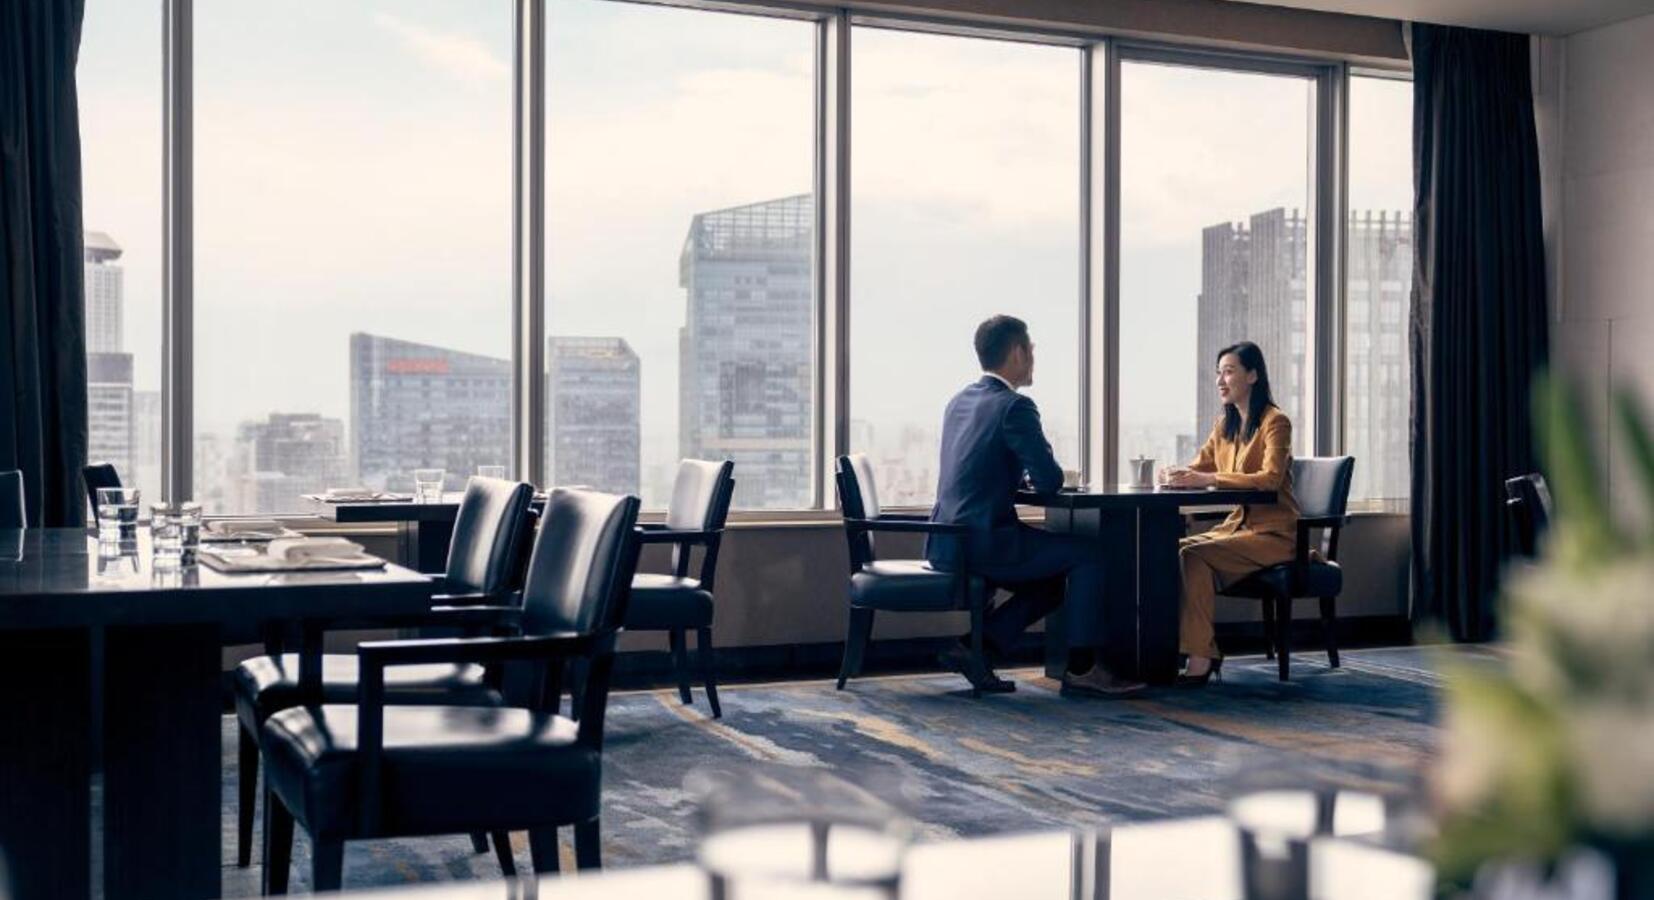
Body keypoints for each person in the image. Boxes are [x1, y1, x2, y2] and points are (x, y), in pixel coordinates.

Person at [926, 315, 1142, 696]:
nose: (1033, 359)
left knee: (1051, 582)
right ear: (1017, 352)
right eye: (1031, 350)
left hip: (947, 540)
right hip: (985, 540)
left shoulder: (959, 401)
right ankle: (1082, 668)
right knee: (1089, 556)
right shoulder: (1014, 406)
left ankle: (977, 647)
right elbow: (1050, 480)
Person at [1159, 341, 1300, 686]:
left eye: (1229, 371)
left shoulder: (1275, 422)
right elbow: (1198, 467)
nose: (1221, 380)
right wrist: (1174, 475)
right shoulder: (1225, 425)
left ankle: (1201, 655)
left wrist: (1207, 478)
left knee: (1192, 554)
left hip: (1275, 534)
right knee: (1172, 550)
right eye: (1218, 373)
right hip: (1239, 529)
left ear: (1252, 375)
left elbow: (1269, 479)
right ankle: (1183, 649)